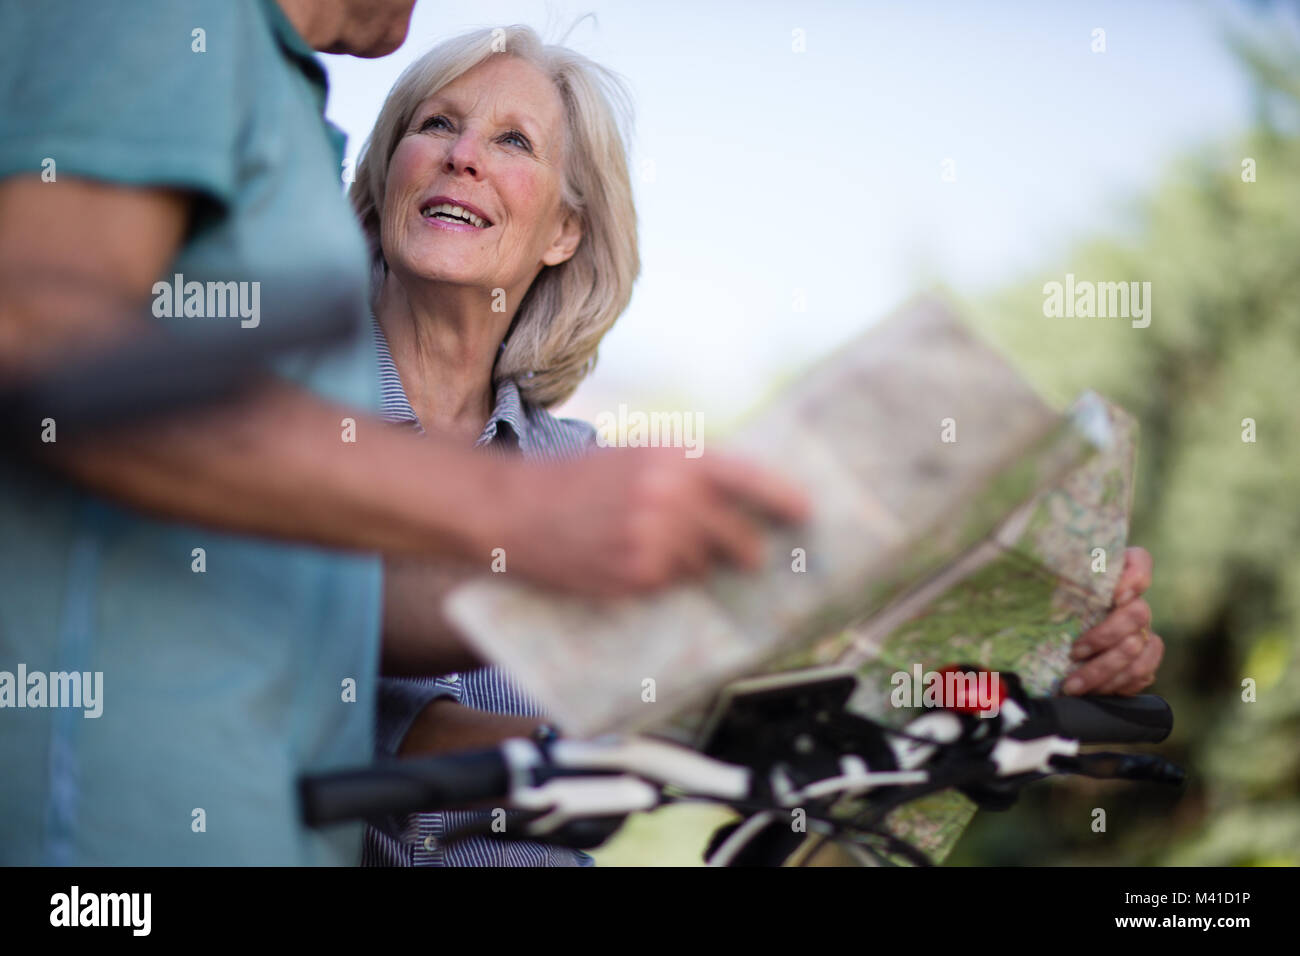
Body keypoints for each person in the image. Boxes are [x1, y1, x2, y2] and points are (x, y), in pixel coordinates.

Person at [0, 0, 808, 865]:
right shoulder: (285, 400)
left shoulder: (577, 466)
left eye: (513, 142)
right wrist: (522, 530)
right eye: (438, 125)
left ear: (566, 230)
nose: (463, 156)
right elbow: (43, 339)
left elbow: (345, 603)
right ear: (385, 176)